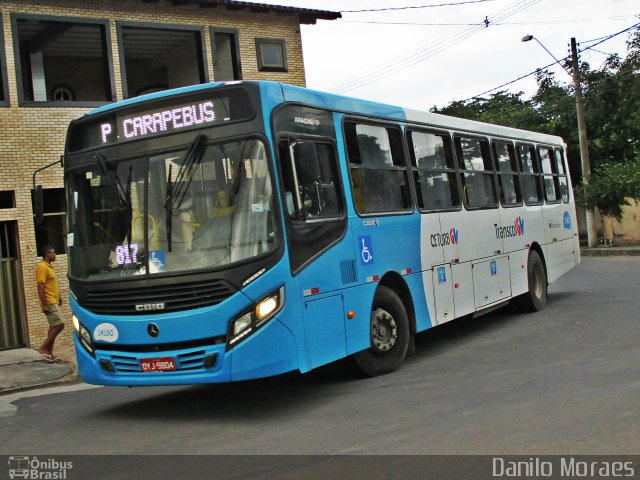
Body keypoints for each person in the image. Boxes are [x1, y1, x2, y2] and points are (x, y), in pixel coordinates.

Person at [36, 245, 65, 362]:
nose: (54, 254)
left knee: (53, 326)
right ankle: (43, 348)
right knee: (60, 324)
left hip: (53, 300)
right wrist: (45, 304)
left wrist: (59, 297)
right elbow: (40, 286)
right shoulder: (42, 267)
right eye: (52, 253)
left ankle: (50, 354)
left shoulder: (50, 267)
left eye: (54, 252)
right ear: (46, 255)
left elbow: (51, 285)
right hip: (49, 301)